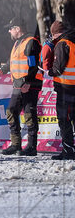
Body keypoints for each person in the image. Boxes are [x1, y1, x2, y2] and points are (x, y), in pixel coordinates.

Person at [0, 16, 42, 155]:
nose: (9, 31)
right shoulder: (18, 42)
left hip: (29, 85)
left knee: (29, 114)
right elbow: (12, 61)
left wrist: (28, 82)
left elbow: (33, 65)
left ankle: (32, 147)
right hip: (18, 85)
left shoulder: (31, 42)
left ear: (17, 29)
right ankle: (16, 144)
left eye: (10, 29)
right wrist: (2, 70)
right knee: (11, 111)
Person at [49, 21, 75, 160]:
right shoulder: (73, 42)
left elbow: (58, 68)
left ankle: (68, 150)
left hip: (65, 88)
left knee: (64, 120)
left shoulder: (62, 44)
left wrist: (49, 71)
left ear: (56, 33)